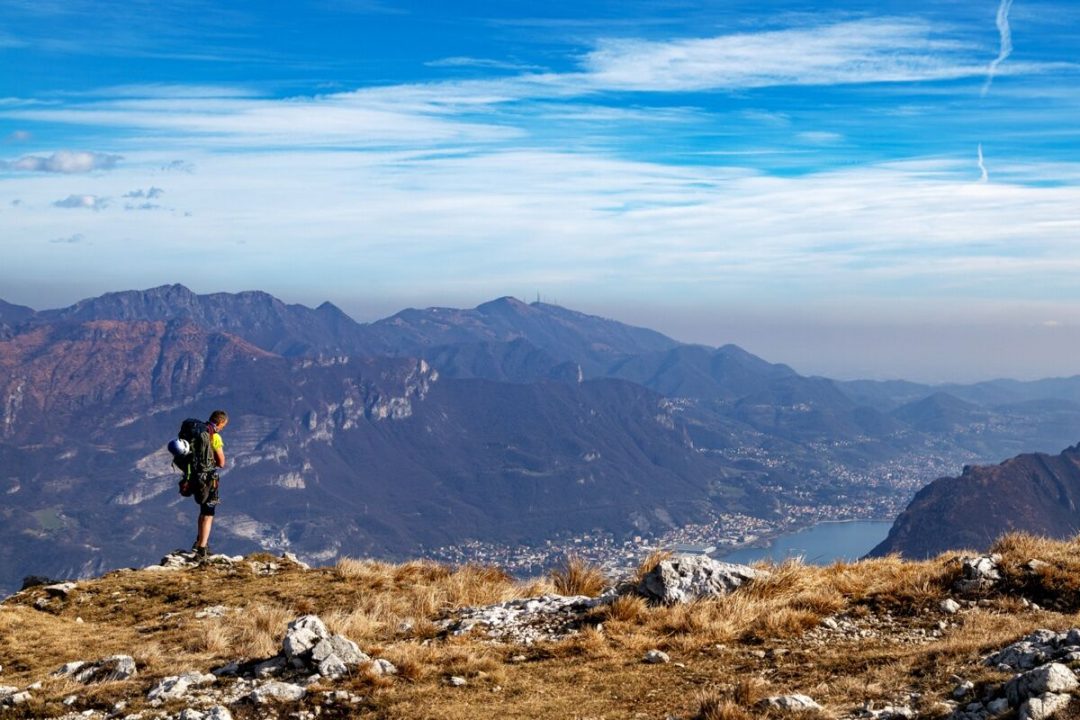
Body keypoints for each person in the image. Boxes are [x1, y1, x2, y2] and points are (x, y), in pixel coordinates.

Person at [193, 409, 228, 558]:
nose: (223, 428)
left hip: (196, 476)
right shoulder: (215, 437)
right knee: (208, 513)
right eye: (223, 425)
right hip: (208, 479)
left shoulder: (197, 433)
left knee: (202, 511)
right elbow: (221, 462)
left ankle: (199, 541)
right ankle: (202, 547)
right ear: (220, 423)